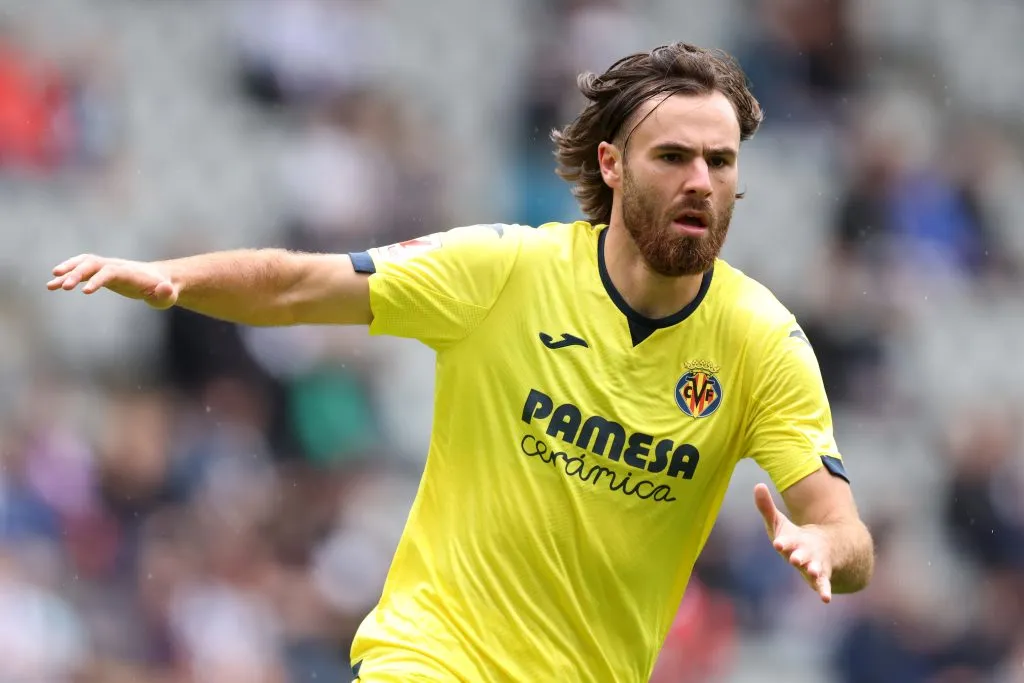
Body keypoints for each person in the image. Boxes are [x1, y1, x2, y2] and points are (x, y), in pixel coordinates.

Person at [48, 42, 874, 683]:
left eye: (720, 162)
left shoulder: (761, 340)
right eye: (673, 157)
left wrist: (821, 547)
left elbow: (847, 532)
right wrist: (178, 280)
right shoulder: (505, 272)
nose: (701, 180)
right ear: (613, 166)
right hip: (430, 655)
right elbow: (303, 286)